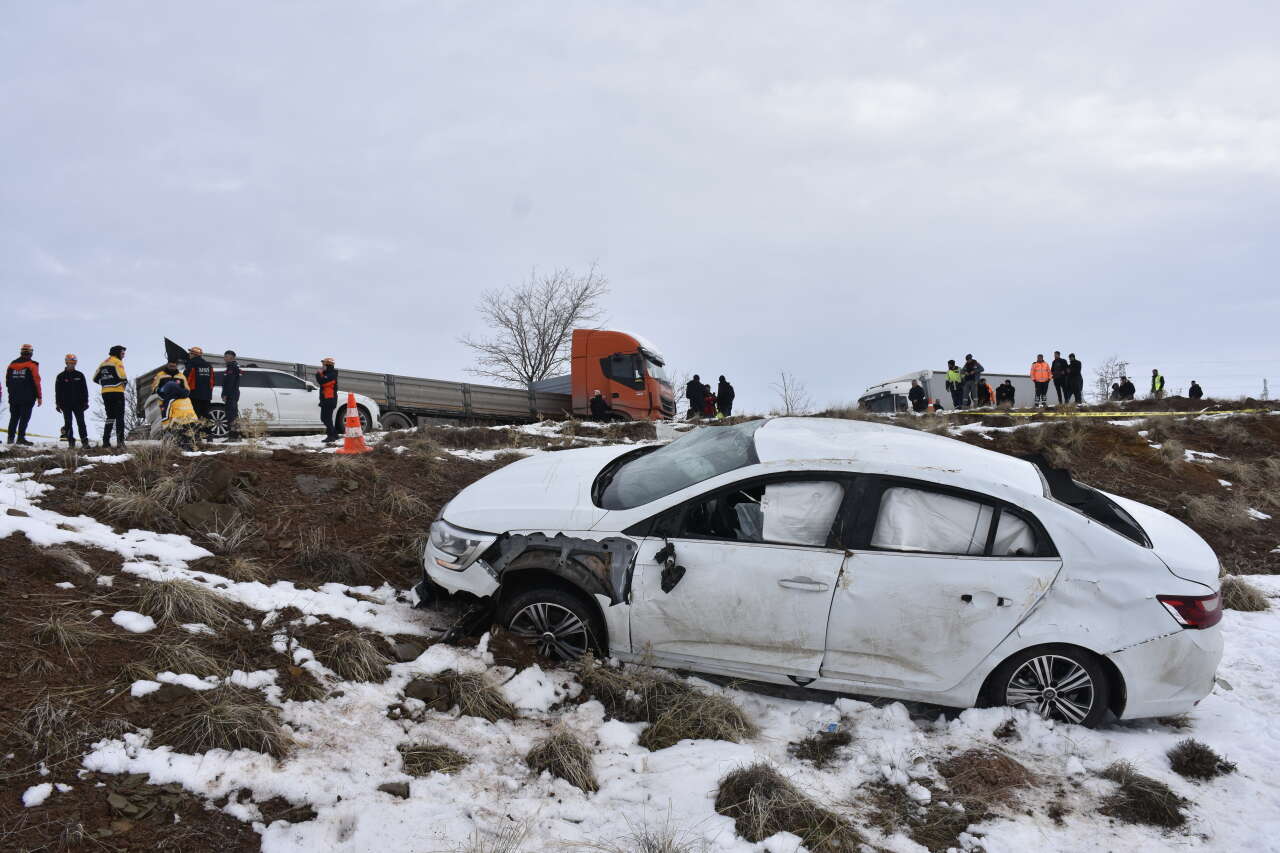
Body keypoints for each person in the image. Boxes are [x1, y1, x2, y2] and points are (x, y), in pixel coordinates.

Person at [6, 344, 42, 446]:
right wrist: (39, 396)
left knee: (14, 417)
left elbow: (7, 382)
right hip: (27, 397)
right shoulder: (32, 365)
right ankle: (20, 438)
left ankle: (10, 438)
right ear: (31, 353)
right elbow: (36, 381)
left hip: (14, 396)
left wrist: (11, 393)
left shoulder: (12, 365)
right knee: (24, 418)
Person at [93, 345, 128, 448]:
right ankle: (120, 442)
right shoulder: (117, 362)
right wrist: (122, 384)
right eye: (122, 353)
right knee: (119, 417)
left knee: (110, 417)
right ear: (117, 353)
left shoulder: (103, 363)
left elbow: (95, 378)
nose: (123, 355)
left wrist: (106, 383)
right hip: (117, 392)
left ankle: (105, 441)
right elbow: (123, 377)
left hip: (105, 393)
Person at [55, 354, 90, 448]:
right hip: (65, 404)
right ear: (66, 363)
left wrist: (86, 402)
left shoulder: (80, 375)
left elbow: (84, 390)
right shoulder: (61, 376)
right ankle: (71, 442)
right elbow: (57, 391)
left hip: (78, 403)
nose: (72, 365)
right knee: (68, 422)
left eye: (74, 363)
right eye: (70, 363)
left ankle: (85, 442)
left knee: (81, 422)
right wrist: (58, 404)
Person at [157, 375, 199, 448]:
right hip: (194, 422)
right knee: (191, 441)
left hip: (180, 424)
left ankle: (183, 452)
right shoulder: (186, 398)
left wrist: (165, 427)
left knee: (180, 443)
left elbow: (166, 415)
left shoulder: (170, 401)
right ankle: (193, 451)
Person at [183, 347, 215, 437]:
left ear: (194, 354)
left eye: (190, 353)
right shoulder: (208, 365)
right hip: (207, 395)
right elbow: (212, 381)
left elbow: (186, 379)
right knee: (205, 415)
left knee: (195, 414)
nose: (189, 355)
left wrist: (184, 390)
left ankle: (196, 435)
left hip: (194, 394)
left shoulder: (192, 364)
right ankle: (209, 435)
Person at [316, 357, 339, 443]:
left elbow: (322, 381)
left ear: (328, 365)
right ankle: (335, 435)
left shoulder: (332, 374)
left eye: (324, 364)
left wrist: (319, 374)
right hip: (326, 399)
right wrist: (320, 374)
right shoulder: (327, 374)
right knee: (325, 418)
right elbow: (322, 380)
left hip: (330, 399)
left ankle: (331, 436)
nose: (322, 366)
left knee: (326, 419)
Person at [221, 350, 242, 441]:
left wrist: (225, 394)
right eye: (224, 356)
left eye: (226, 356)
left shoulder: (232, 367)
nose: (224, 358)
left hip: (231, 394)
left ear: (232, 357)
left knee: (231, 416)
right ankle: (236, 435)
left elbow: (230, 382)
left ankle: (233, 437)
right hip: (233, 393)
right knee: (233, 415)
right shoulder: (233, 366)